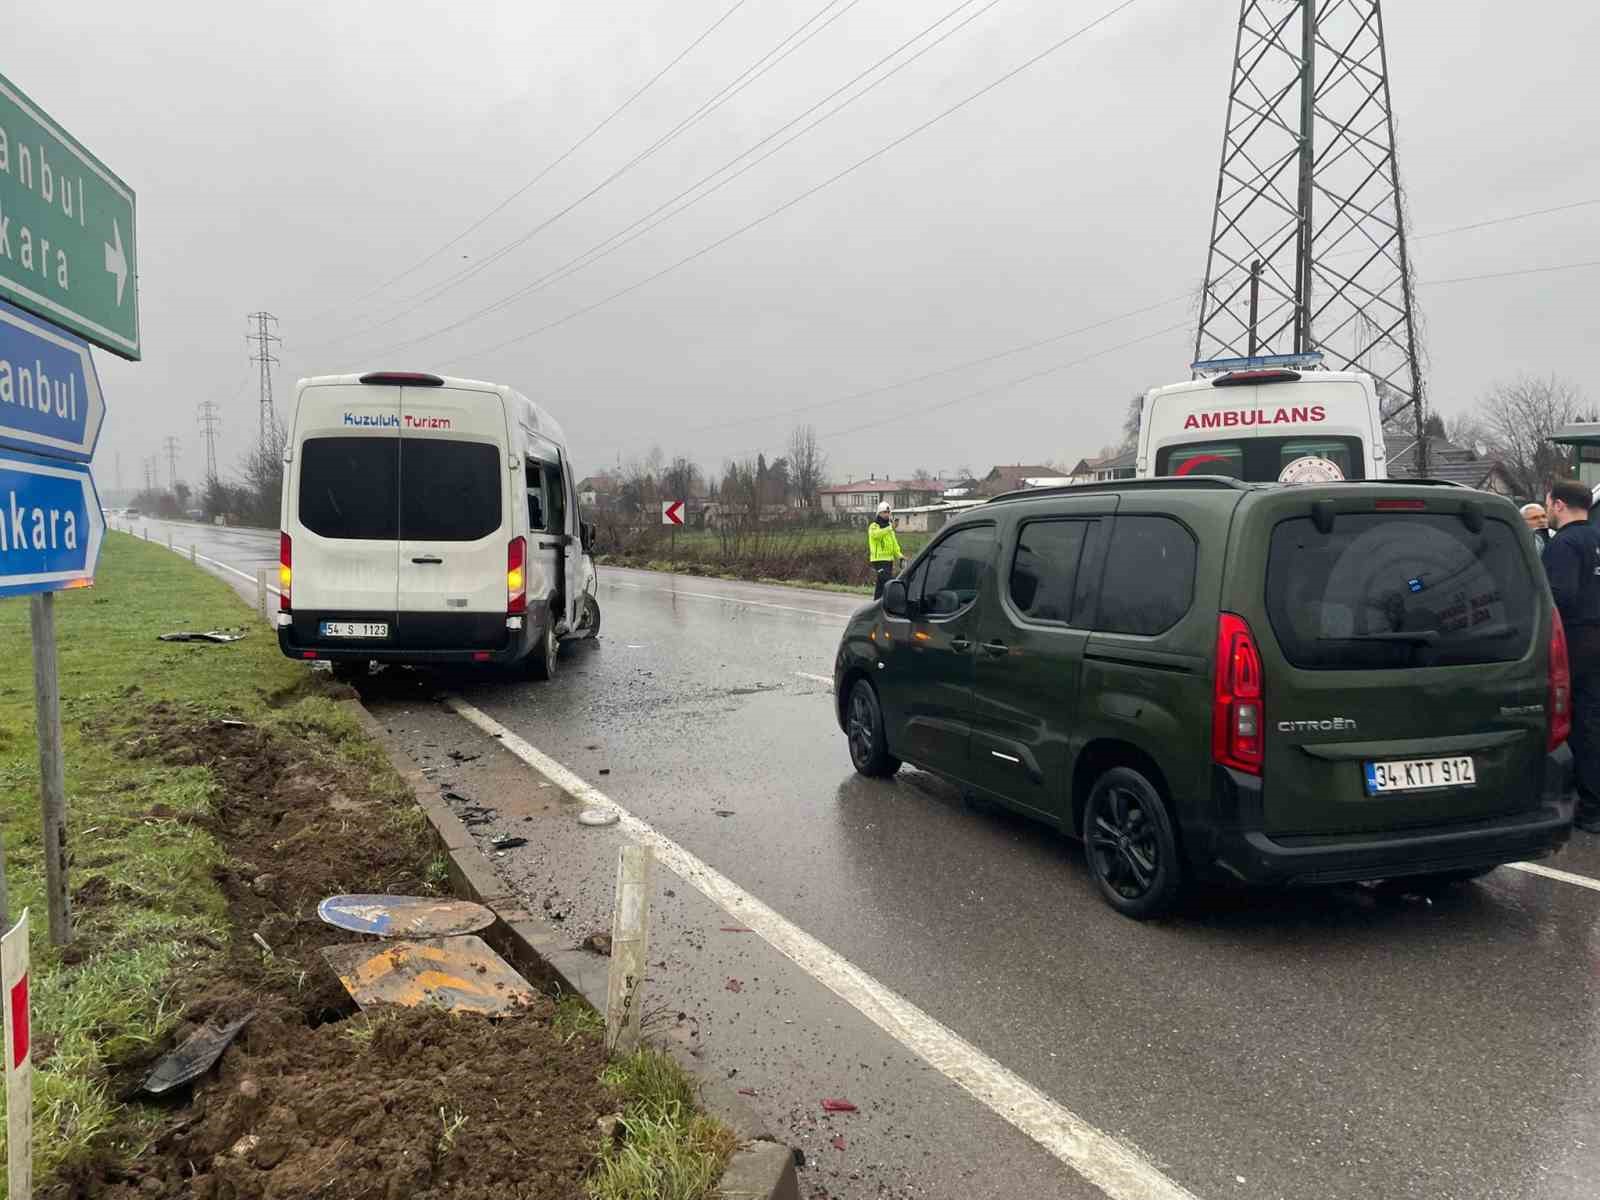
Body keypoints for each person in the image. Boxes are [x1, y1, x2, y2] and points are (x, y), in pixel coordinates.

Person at [1543, 479, 1600, 833]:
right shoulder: (1597, 537)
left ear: (1560, 504)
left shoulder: (1563, 544)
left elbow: (1558, 596)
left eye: (1548, 504)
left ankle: (1591, 806)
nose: (1547, 510)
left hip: (1579, 639)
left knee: (1580, 723)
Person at [868, 501, 904, 599]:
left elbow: (894, 544)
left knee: (881, 585)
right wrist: (890, 528)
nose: (887, 514)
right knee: (889, 581)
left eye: (888, 512)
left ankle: (876, 604)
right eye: (884, 512)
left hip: (888, 560)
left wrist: (899, 556)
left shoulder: (889, 528)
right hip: (878, 560)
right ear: (879, 513)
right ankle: (895, 600)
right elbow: (876, 535)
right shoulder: (874, 526)